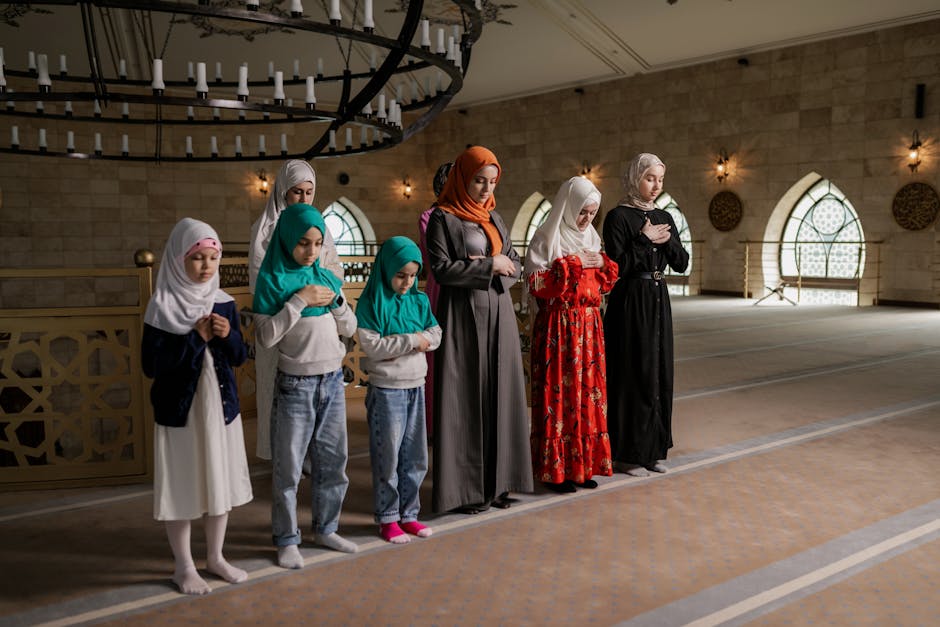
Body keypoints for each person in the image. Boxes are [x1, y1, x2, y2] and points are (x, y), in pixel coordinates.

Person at [142, 218, 253, 595]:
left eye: (213, 257)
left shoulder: (223, 301)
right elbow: (151, 365)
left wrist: (228, 335)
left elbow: (239, 356)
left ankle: (216, 557)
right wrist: (195, 338)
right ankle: (184, 566)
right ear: (178, 259)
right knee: (183, 486)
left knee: (219, 481)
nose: (206, 265)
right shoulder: (162, 305)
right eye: (197, 257)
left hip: (220, 408)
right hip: (180, 412)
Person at [426, 145, 533, 514]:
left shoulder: (494, 218)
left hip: (500, 314)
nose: (486, 189)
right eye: (479, 181)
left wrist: (494, 264)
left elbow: (514, 262)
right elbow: (441, 269)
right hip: (461, 315)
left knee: (501, 394)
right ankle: (466, 492)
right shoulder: (443, 218)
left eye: (492, 182)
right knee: (466, 398)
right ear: (462, 179)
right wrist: (490, 265)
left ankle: (500, 484)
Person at [253, 204, 358, 568]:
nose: (311, 251)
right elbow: (266, 337)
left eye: (317, 243)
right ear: (286, 240)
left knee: (334, 462)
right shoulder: (272, 280)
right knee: (289, 468)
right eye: (303, 243)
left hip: (333, 382)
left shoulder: (326, 278)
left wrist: (337, 301)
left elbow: (350, 328)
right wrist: (299, 301)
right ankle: (287, 539)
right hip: (295, 386)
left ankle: (326, 528)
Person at [524, 176, 619, 493]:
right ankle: (556, 471)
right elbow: (536, 284)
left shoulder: (591, 237)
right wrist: (571, 264)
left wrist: (600, 262)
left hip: (589, 329)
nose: (586, 219)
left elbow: (602, 284)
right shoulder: (547, 238)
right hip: (558, 328)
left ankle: (583, 466)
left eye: (592, 213)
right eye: (582, 212)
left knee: (587, 396)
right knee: (560, 398)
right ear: (568, 207)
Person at [248, 159, 344, 461]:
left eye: (309, 192)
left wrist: (318, 286)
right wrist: (299, 292)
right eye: (296, 192)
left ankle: (313, 458)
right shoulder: (265, 228)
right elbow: (261, 280)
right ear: (282, 191)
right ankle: (285, 459)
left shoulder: (319, 226)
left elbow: (335, 270)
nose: (303, 198)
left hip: (315, 323)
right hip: (279, 319)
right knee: (280, 395)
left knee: (319, 397)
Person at [602, 153, 689, 477]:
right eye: (650, 178)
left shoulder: (664, 216)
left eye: (660, 180)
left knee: (658, 372)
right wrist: (644, 239)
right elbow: (616, 267)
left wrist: (665, 242)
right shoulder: (617, 217)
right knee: (633, 372)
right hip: (630, 301)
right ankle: (627, 454)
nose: (656, 186)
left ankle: (653, 450)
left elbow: (682, 262)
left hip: (658, 300)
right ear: (635, 178)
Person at [356, 236, 441, 543]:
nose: (407, 283)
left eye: (413, 276)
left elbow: (436, 334)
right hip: (386, 390)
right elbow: (373, 347)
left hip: (416, 386)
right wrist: (413, 341)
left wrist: (403, 343)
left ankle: (409, 514)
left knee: (415, 456)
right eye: (400, 275)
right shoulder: (371, 302)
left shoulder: (419, 300)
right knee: (388, 457)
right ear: (386, 269)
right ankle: (388, 517)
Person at [417, 161, 453, 436]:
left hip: (466, 287)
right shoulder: (429, 217)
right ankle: (434, 423)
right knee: (438, 356)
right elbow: (437, 259)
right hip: (441, 288)